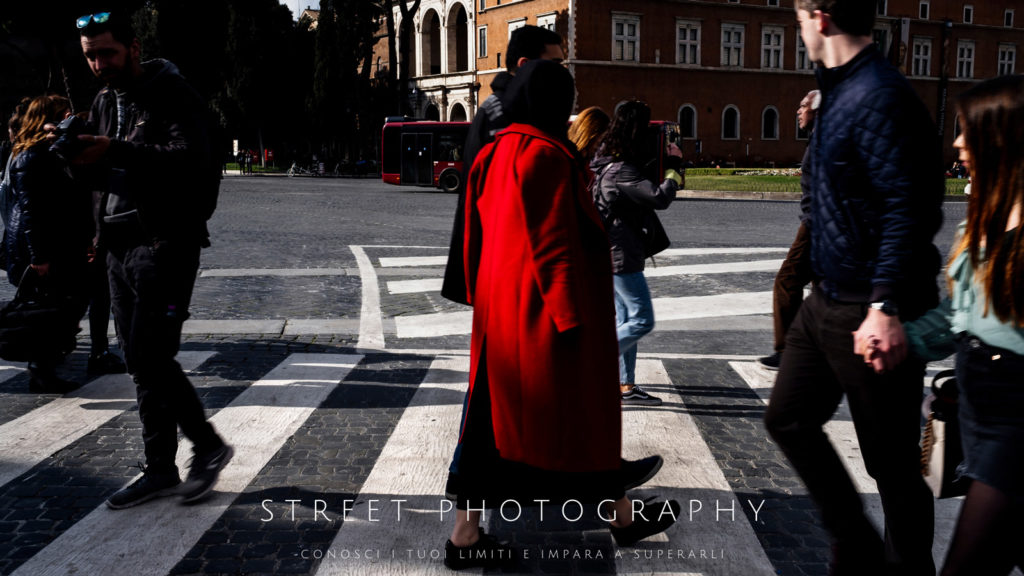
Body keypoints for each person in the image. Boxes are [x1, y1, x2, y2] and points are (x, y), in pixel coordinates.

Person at [445, 60, 679, 571]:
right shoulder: (549, 157)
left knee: (485, 430)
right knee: (584, 424)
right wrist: (575, 323)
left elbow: (472, 236)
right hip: (547, 320)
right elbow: (555, 247)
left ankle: (466, 536)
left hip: (499, 319)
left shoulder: (491, 154)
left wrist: (477, 296)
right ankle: (621, 519)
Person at [764, 2, 944, 574]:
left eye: (796, 18)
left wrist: (886, 305)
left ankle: (908, 568)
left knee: (890, 464)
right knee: (787, 417)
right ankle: (857, 542)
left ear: (818, 16)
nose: (797, 31)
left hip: (871, 305)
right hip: (827, 300)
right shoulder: (838, 93)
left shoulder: (879, 95)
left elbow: (910, 209)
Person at [72, 11, 232, 509]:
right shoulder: (101, 101)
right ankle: (160, 467)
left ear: (134, 48)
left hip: (166, 244)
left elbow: (189, 158)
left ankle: (207, 445)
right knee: (142, 366)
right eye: (91, 55)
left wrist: (115, 148)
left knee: (148, 354)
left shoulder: (173, 93)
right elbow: (99, 178)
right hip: (118, 247)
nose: (99, 63)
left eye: (108, 53)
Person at [890, 74, 1024, 576]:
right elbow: (958, 314)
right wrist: (906, 339)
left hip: (1015, 428)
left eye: (969, 132)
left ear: (1003, 138)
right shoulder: (983, 215)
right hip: (979, 416)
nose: (958, 143)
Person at [440, 25, 564, 306]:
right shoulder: (508, 116)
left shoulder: (497, 107)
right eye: (555, 64)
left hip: (500, 261)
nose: (561, 71)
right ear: (525, 65)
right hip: (511, 263)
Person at [591, 100, 683, 407]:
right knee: (641, 320)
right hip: (621, 255)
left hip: (614, 251)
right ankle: (590, 364)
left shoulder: (606, 162)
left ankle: (625, 386)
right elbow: (658, 198)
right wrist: (673, 171)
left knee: (626, 319)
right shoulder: (620, 170)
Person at [3, 95, 93, 393]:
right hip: (43, 245)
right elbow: (32, 209)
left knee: (64, 303)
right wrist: (39, 255)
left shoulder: (48, 152)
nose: (65, 120)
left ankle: (45, 364)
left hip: (58, 242)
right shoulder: (31, 155)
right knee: (49, 307)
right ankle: (41, 368)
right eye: (60, 115)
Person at [758, 90, 820, 370]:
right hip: (823, 224)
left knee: (787, 281)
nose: (798, 111)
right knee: (823, 288)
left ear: (817, 109)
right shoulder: (822, 137)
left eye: (803, 106)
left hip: (816, 224)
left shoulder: (822, 141)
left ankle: (788, 350)